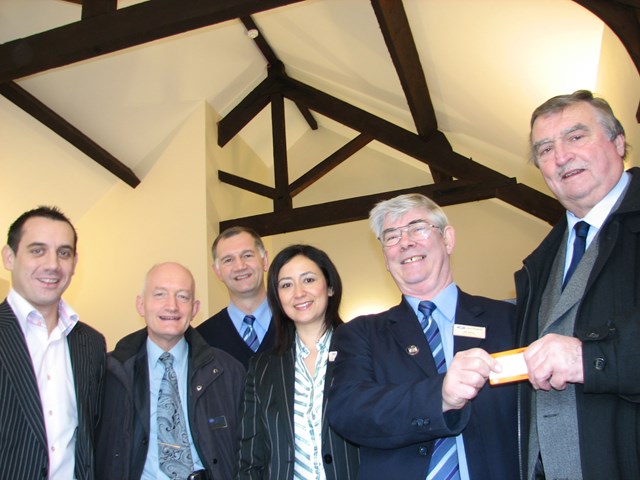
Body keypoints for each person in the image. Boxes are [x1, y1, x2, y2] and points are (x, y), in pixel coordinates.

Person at [327, 193, 518, 480]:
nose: (405, 242)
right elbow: (349, 412)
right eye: (391, 236)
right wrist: (439, 395)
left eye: (418, 228)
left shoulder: (509, 320)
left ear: (448, 239)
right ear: (385, 257)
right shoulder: (359, 334)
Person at [516, 90, 640, 480]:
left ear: (618, 143)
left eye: (575, 137)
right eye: (545, 148)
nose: (561, 156)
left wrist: (588, 360)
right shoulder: (537, 264)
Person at [96, 262, 245, 480]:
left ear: (194, 309)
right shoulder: (110, 372)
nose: (172, 306)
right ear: (141, 305)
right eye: (160, 295)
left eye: (182, 297)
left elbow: (248, 449)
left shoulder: (228, 371)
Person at [0, 206, 106, 479]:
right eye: (37, 250)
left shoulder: (92, 344)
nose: (52, 264)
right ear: (9, 257)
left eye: (63, 252)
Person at [237, 244, 360, 479]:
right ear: (278, 298)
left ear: (330, 286)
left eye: (309, 280)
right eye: (286, 285)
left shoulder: (362, 351)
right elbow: (250, 456)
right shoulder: (262, 368)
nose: (299, 293)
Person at [198, 226, 275, 369]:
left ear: (265, 261)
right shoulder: (202, 340)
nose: (240, 266)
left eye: (247, 255)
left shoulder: (295, 324)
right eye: (228, 260)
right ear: (217, 272)